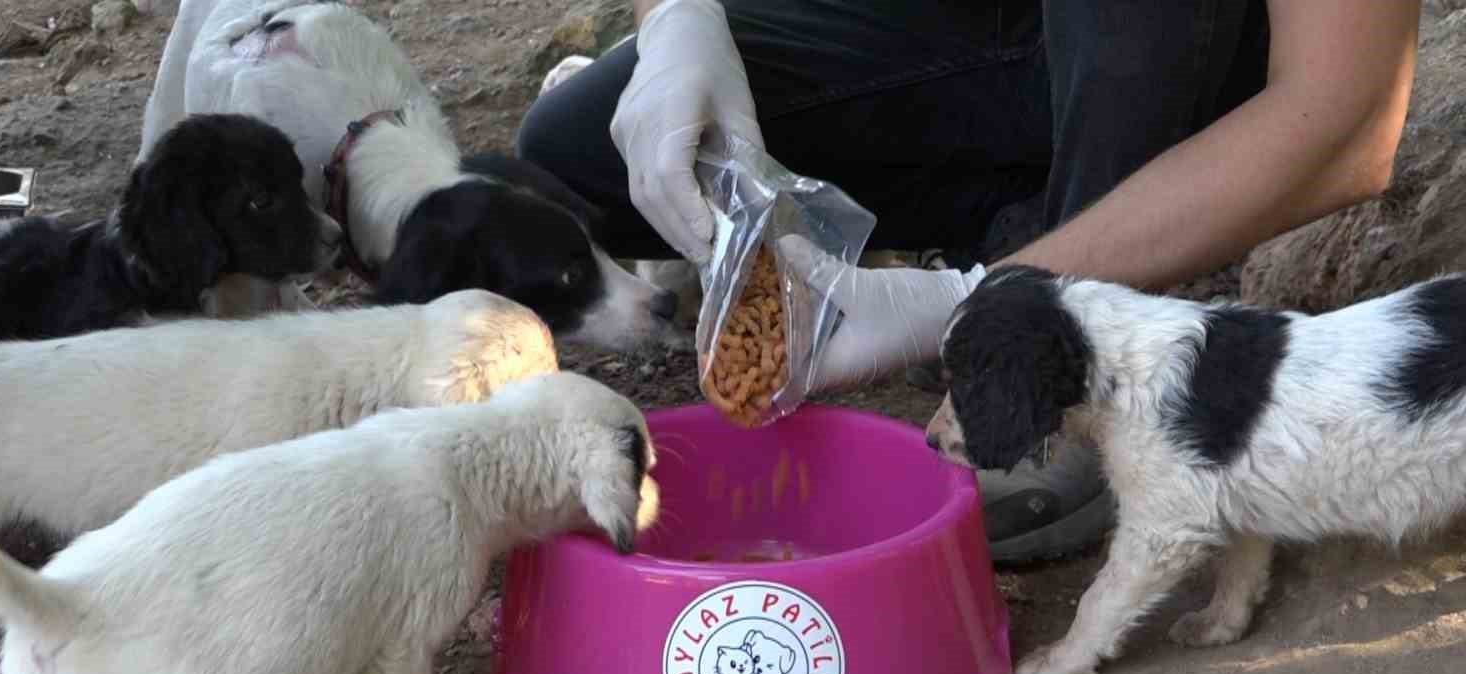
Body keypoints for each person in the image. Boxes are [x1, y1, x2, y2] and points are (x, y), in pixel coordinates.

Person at [517, 0, 1419, 563]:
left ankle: (1072, 331)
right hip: (983, 31)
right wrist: (679, 21)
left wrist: (984, 299)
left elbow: (1348, 119)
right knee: (576, 146)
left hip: (1188, 46)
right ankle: (1046, 216)